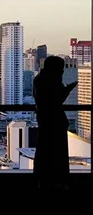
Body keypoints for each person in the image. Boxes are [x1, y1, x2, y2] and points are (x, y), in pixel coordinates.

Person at [33, 56, 78, 190]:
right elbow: (56, 100)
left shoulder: (40, 79)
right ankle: (57, 182)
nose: (62, 71)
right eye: (60, 68)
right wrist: (68, 89)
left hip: (46, 121)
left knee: (44, 152)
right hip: (54, 122)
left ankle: (44, 181)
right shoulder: (50, 81)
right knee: (57, 154)